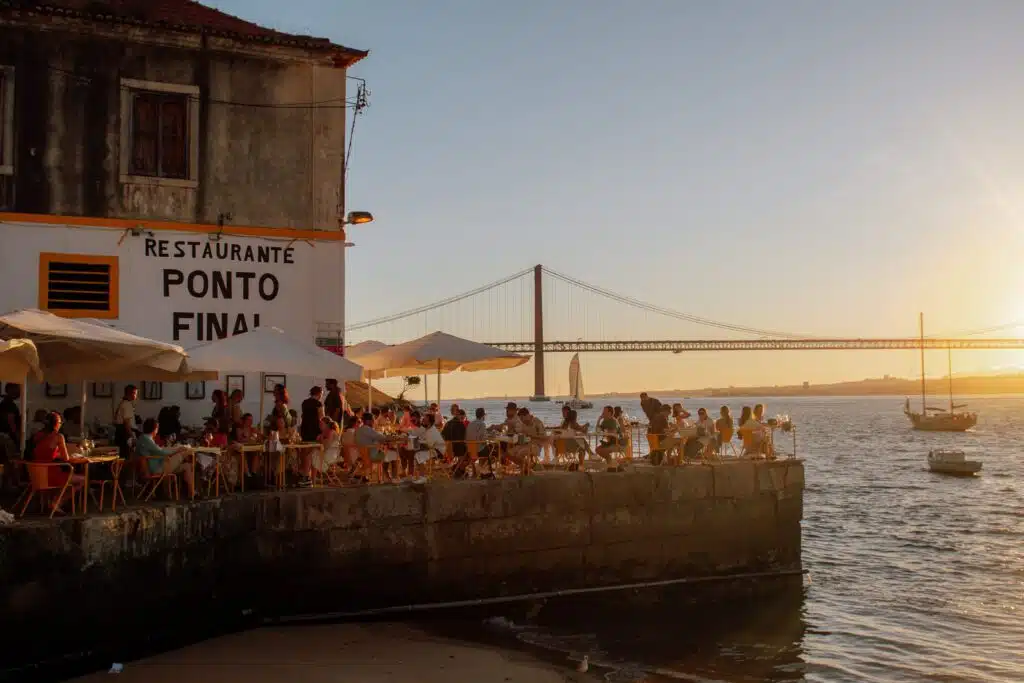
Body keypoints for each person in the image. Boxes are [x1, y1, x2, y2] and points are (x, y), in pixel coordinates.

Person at [30, 412, 85, 499]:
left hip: (36, 475)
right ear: (55, 424)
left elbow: (44, 452)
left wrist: (56, 455)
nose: (60, 425)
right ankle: (57, 502)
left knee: (66, 476)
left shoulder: (37, 435)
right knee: (83, 480)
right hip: (50, 475)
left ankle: (50, 501)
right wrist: (74, 456)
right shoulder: (58, 436)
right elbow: (66, 458)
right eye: (60, 423)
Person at [136, 417, 195, 497]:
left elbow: (158, 450)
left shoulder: (142, 438)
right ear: (155, 428)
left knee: (187, 466)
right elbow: (162, 452)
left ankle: (192, 493)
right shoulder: (146, 439)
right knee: (186, 451)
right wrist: (178, 449)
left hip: (157, 465)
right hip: (157, 468)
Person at [0, 383, 20, 482]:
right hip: (7, 436)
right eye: (16, 389)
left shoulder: (5, 403)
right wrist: (16, 435)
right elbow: (10, 420)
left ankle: (7, 483)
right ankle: (10, 483)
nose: (19, 392)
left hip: (4, 435)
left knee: (6, 460)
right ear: (9, 390)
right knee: (10, 460)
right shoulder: (9, 404)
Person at [113, 385, 138, 459]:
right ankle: (126, 470)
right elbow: (126, 422)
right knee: (127, 457)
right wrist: (132, 437)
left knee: (123, 456)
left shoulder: (122, 403)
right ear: (132, 393)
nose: (136, 396)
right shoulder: (127, 405)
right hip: (125, 433)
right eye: (136, 393)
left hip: (121, 432)